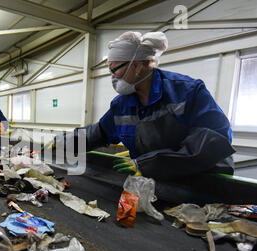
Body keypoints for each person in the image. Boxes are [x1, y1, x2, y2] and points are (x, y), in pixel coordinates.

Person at [54, 31, 235, 181]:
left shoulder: (187, 92)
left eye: (115, 69)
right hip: (155, 179)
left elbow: (214, 141)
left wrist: (149, 164)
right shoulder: (122, 104)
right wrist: (64, 142)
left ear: (138, 66)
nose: (113, 76)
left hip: (203, 182)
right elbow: (99, 132)